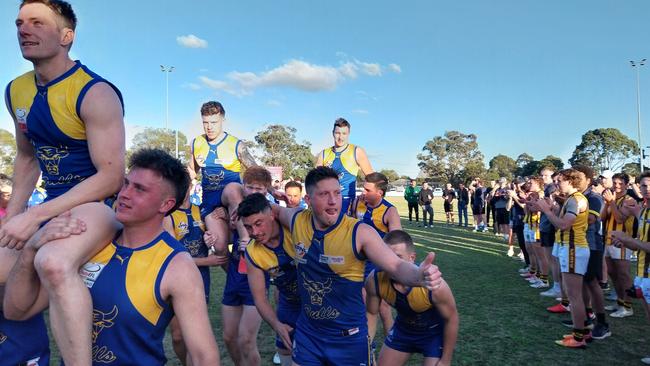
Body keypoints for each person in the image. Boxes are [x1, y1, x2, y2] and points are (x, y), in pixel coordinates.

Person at [3, 148, 221, 365]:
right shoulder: (89, 244)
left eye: (140, 189)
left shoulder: (176, 265)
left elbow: (204, 355)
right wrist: (31, 249)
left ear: (166, 205)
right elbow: (17, 312)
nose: (124, 194)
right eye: (126, 183)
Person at [1, 1, 125, 363]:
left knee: (53, 261)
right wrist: (14, 214)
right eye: (20, 22)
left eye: (38, 23)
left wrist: (36, 217)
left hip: (99, 203)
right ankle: (23, 352)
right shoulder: (15, 91)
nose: (24, 30)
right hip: (51, 201)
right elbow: (27, 158)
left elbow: (111, 176)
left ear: (66, 36)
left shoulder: (96, 92)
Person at [273, 166, 443, 365]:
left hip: (348, 338)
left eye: (337, 193)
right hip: (308, 334)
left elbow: (395, 265)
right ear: (308, 200)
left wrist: (418, 276)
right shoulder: (296, 219)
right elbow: (273, 211)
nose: (333, 200)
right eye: (324, 194)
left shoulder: (359, 232)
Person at [366, 230, 458, 366]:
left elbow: (452, 319)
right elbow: (372, 312)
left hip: (433, 335)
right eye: (387, 257)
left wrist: (445, 360)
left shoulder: (433, 284)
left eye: (398, 257)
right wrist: (367, 344)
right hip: (403, 330)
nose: (391, 264)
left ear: (412, 258)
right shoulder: (374, 280)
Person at [163, 184, 228, 365]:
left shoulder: (202, 211)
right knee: (177, 336)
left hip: (199, 277)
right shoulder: (168, 215)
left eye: (184, 183)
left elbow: (220, 239)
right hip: (175, 276)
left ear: (190, 185)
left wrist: (211, 240)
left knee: (193, 335)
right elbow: (171, 257)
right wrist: (207, 261)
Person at [187, 101, 258, 258]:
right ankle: (234, 277)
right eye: (205, 123)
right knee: (219, 248)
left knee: (232, 189)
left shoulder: (236, 145)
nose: (209, 127)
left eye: (214, 122)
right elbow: (191, 171)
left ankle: (245, 236)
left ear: (223, 120)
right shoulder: (196, 143)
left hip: (232, 199)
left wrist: (273, 190)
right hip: (210, 204)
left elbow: (256, 172)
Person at [533, 169, 590, 348]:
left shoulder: (576, 200)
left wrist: (547, 212)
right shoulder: (572, 199)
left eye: (561, 181)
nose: (557, 184)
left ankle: (579, 337)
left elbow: (564, 225)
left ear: (572, 182)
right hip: (570, 247)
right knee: (573, 293)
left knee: (574, 295)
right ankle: (582, 331)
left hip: (573, 248)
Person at [240, 193, 298, 366]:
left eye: (258, 223)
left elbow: (299, 214)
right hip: (289, 305)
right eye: (248, 227)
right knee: (286, 350)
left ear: (272, 214)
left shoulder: (294, 229)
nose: (255, 232)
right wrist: (276, 325)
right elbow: (259, 298)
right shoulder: (252, 252)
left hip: (320, 304)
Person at [349, 172, 401, 336]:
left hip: (376, 266)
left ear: (380, 192)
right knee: (361, 304)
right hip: (355, 263)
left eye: (367, 190)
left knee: (382, 307)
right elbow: (347, 225)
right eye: (363, 188)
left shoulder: (389, 211)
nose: (362, 192)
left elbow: (397, 242)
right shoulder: (357, 203)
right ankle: (366, 345)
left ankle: (391, 341)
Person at [610, 171, 650, 364]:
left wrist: (627, 239)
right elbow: (642, 241)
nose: (647, 189)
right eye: (643, 186)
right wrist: (627, 242)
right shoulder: (644, 210)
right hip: (643, 272)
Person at [571, 165, 610, 341]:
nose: (575, 181)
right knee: (584, 283)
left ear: (588, 179)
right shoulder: (577, 197)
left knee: (593, 283)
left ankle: (602, 323)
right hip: (580, 245)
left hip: (592, 245)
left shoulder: (593, 197)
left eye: (578, 177)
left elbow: (592, 218)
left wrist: (567, 215)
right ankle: (586, 318)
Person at [315, 118, 373, 213]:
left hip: (347, 202)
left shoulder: (357, 151)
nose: (340, 137)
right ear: (333, 133)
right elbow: (315, 180)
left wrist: (367, 194)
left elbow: (372, 178)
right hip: (327, 202)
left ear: (348, 134)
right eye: (337, 133)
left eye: (344, 134)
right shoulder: (324, 154)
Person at [602, 173, 638, 318]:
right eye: (615, 183)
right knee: (612, 273)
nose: (616, 186)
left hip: (622, 242)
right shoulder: (611, 198)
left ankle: (627, 306)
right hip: (608, 239)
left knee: (623, 274)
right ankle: (619, 301)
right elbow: (601, 217)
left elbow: (620, 219)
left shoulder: (629, 200)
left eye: (620, 183)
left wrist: (611, 202)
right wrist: (606, 203)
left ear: (626, 185)